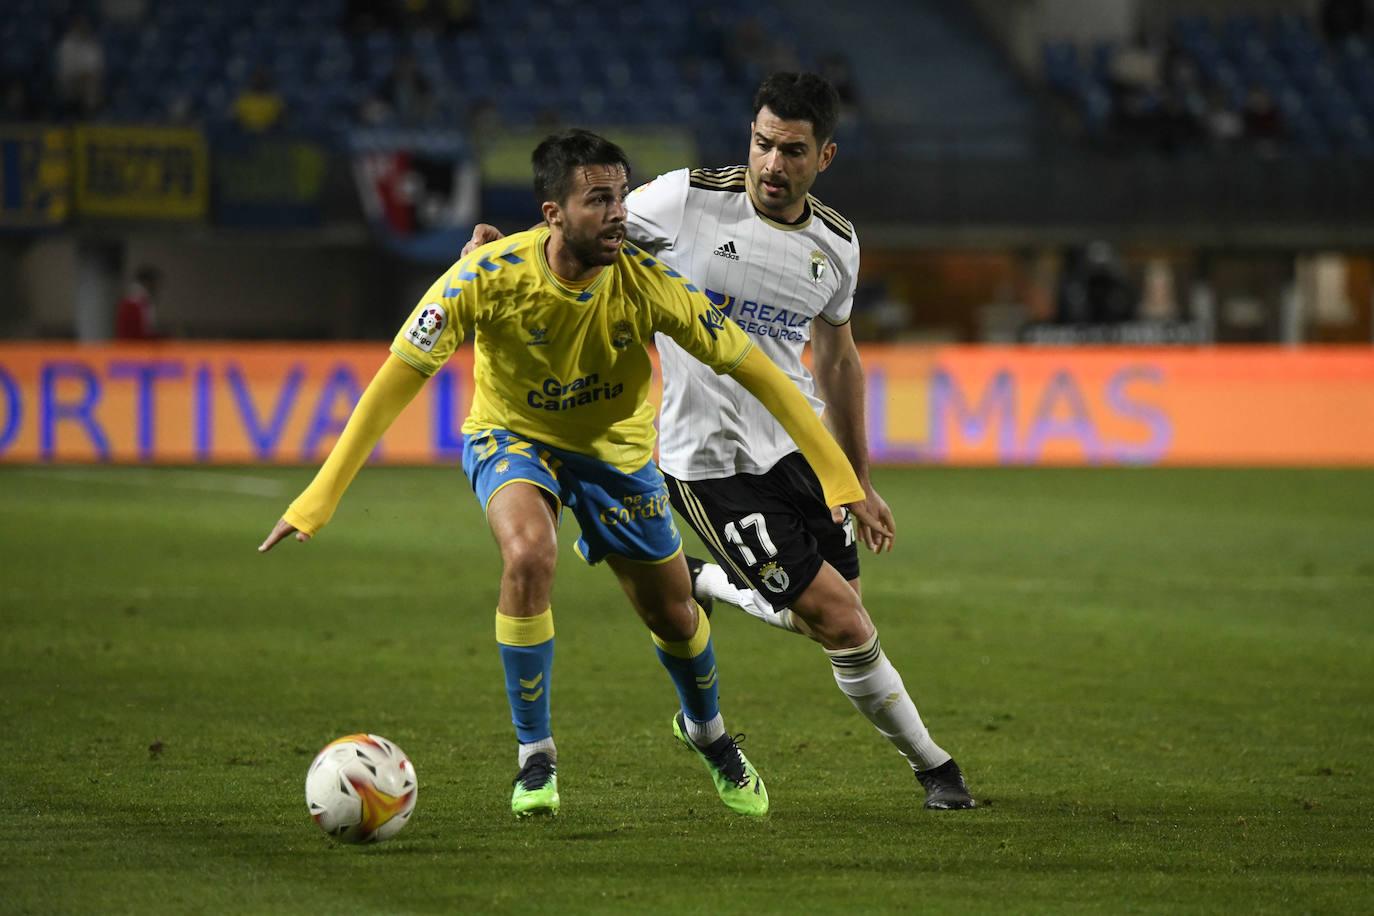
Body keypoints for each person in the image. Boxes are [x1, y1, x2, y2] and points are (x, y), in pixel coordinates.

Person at [260, 128, 890, 820]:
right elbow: (393, 383)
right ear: (552, 214)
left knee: (675, 616)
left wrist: (841, 480)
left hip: (617, 456)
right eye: (599, 200)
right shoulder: (486, 276)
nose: (620, 213)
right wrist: (318, 499)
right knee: (529, 554)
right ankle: (536, 757)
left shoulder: (651, 287)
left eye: (621, 196)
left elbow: (763, 374)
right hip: (513, 439)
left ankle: (708, 734)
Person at [464, 73, 974, 810]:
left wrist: (854, 476)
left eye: (792, 151)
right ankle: (936, 770)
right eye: (762, 143)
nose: (772, 164)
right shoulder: (687, 199)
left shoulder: (836, 245)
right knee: (844, 621)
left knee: (828, 620)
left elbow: (837, 359)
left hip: (797, 447)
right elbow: (580, 227)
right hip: (708, 464)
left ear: (823, 157)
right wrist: (499, 246)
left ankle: (705, 581)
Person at [114, 264, 163, 340]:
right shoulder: (135, 302)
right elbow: (139, 331)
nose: (155, 287)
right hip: (134, 346)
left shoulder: (141, 301)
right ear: (147, 282)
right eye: (153, 283)